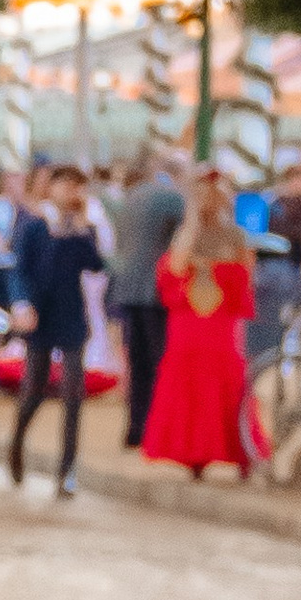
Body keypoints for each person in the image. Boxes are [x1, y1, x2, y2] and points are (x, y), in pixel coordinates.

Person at [141, 179, 270, 481]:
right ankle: (194, 455)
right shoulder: (186, 236)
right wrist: (192, 222)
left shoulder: (234, 236)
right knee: (192, 381)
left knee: (228, 382)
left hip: (219, 326)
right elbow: (173, 271)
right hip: (189, 326)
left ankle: (239, 452)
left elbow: (244, 277)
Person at [8, 170, 106, 498]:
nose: (72, 191)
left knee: (73, 395)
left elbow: (95, 265)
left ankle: (67, 470)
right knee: (33, 391)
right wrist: (22, 304)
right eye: (67, 184)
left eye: (78, 185)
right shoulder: (35, 225)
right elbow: (20, 268)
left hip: (71, 318)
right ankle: (17, 443)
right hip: (41, 316)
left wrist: (80, 231)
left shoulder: (81, 228)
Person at [108, 159, 187, 448]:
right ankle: (157, 428)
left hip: (128, 285)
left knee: (138, 360)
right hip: (157, 289)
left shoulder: (131, 198)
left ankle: (134, 428)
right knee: (159, 361)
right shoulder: (173, 198)